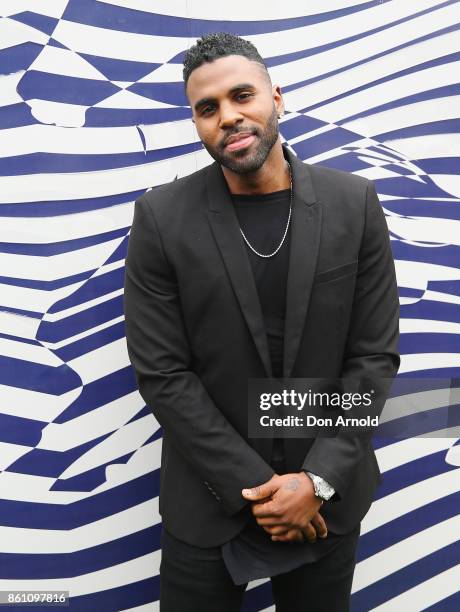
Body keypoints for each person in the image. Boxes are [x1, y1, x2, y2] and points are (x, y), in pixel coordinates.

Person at [124, 32, 400, 612]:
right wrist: (257, 487)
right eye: (207, 108)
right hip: (207, 502)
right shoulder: (160, 218)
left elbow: (372, 356)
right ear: (196, 122)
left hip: (324, 501)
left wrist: (315, 481)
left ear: (276, 96)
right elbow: (163, 373)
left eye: (241, 95)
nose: (228, 116)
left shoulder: (354, 204)